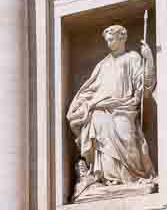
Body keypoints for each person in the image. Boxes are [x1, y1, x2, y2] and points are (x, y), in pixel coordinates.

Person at [67, 23, 156, 188]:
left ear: (122, 38)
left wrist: (149, 59)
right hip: (100, 109)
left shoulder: (132, 58)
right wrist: (81, 104)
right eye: (106, 40)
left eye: (111, 39)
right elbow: (91, 88)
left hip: (124, 108)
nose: (108, 43)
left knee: (127, 138)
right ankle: (108, 179)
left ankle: (133, 177)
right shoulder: (102, 64)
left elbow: (143, 85)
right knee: (100, 131)